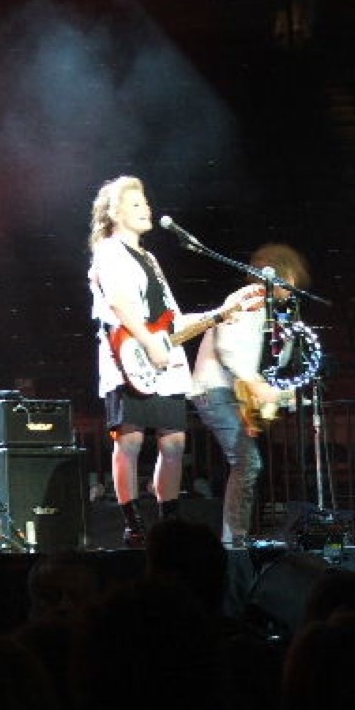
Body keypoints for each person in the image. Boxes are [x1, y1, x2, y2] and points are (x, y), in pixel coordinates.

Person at [87, 175, 210, 548]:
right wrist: (148, 343)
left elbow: (170, 315)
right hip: (129, 358)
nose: (147, 210)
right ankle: (133, 521)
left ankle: (169, 519)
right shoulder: (109, 251)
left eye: (146, 203)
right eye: (137, 204)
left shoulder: (151, 258)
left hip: (163, 360)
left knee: (173, 443)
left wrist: (222, 312)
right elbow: (122, 305)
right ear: (115, 212)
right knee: (131, 441)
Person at [191, 243, 311, 547]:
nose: (295, 287)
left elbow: (270, 358)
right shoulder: (250, 299)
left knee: (247, 464)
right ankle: (234, 541)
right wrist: (257, 386)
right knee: (247, 462)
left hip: (230, 392)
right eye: (292, 279)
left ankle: (236, 537)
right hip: (214, 388)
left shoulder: (270, 307)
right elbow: (229, 346)